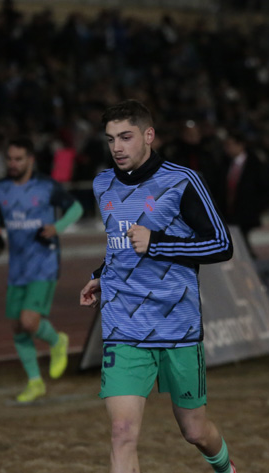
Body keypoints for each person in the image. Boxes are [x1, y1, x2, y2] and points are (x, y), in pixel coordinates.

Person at [79, 99, 237, 473]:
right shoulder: (102, 184)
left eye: (126, 137)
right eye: (110, 139)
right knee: (121, 432)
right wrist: (100, 274)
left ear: (148, 135)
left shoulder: (182, 180)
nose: (117, 147)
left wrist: (158, 243)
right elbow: (119, 244)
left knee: (195, 430)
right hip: (123, 324)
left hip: (177, 325)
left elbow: (221, 244)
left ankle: (226, 469)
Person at [0, 137, 83, 402]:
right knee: (18, 327)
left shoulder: (46, 186)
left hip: (44, 263)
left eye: (18, 159)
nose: (13, 164)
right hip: (17, 267)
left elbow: (76, 208)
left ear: (30, 160)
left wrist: (57, 228)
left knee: (29, 321)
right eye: (9, 159)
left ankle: (57, 341)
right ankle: (35, 382)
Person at [220, 131, 269, 259]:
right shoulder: (225, 164)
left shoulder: (255, 164)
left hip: (246, 211)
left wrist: (257, 207)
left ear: (240, 145)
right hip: (229, 211)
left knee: (242, 241)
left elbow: (266, 187)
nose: (227, 148)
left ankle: (248, 261)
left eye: (230, 145)